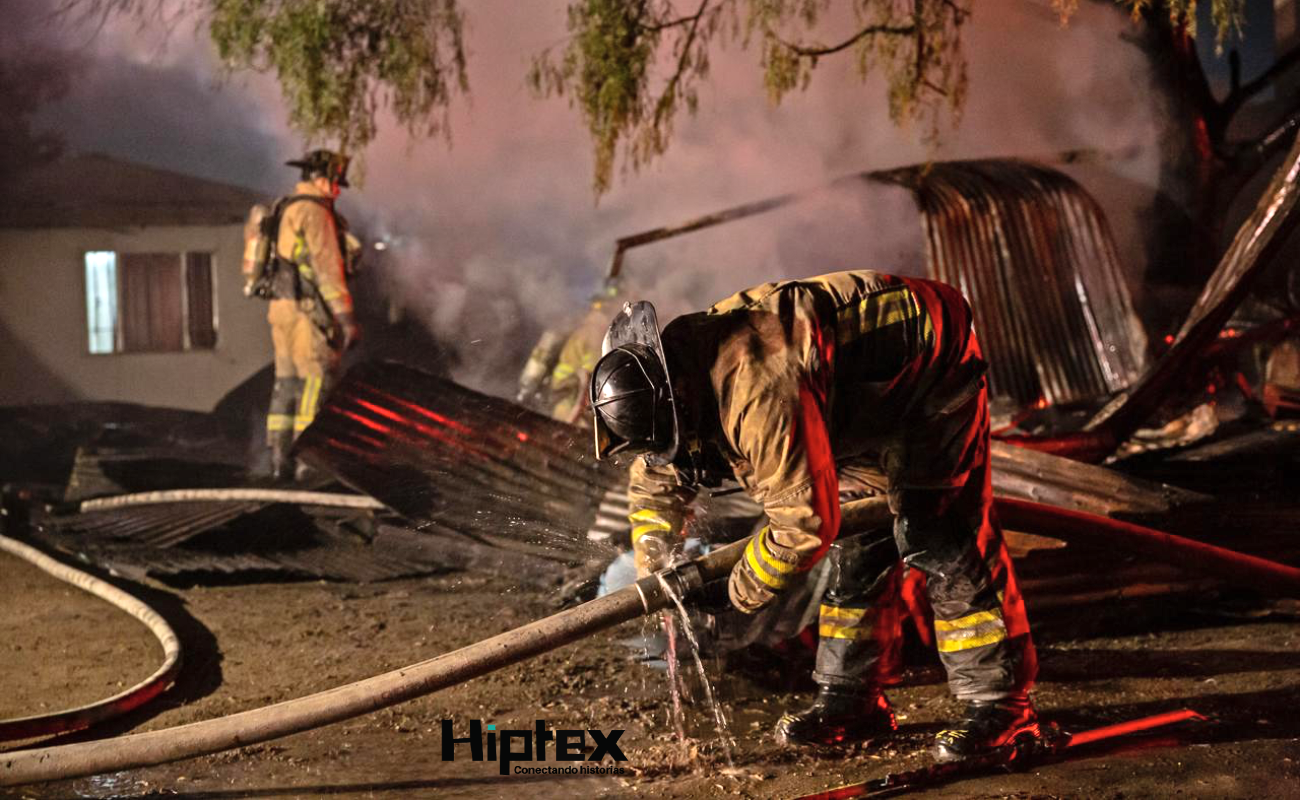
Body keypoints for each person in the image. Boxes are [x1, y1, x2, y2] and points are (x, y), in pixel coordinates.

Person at [588, 270, 1038, 762]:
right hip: (855, 400)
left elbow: (802, 526)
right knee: (857, 547)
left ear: (676, 397)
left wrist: (734, 591)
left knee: (936, 533)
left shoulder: (757, 390)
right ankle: (852, 700)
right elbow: (654, 484)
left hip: (927, 368)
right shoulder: (664, 379)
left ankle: (1001, 706)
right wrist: (656, 566)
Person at [264, 149, 360, 481]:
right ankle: (309, 459)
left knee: (287, 381)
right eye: (335, 183)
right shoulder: (315, 212)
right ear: (323, 178)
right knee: (315, 381)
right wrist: (346, 318)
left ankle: (280, 458)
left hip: (281, 309)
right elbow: (327, 270)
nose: (337, 191)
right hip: (307, 312)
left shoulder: (285, 207)